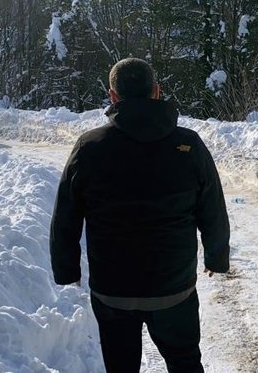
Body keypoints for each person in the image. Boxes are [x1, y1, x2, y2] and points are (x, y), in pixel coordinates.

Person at [50, 58, 230, 373]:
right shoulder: (188, 144)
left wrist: (67, 269)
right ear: (156, 92)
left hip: (112, 290)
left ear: (113, 96)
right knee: (186, 363)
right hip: (174, 288)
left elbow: (66, 214)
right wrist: (216, 257)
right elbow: (212, 206)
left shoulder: (89, 147)